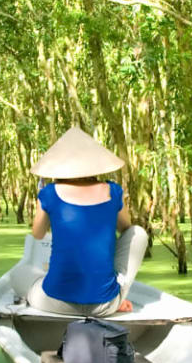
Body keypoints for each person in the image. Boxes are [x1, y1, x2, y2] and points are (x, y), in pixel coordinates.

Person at [19, 126, 149, 316]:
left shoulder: (48, 194)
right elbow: (126, 229)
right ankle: (118, 295)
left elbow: (37, 234)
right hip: (105, 305)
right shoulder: (113, 192)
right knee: (138, 233)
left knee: (19, 275)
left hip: (56, 303)